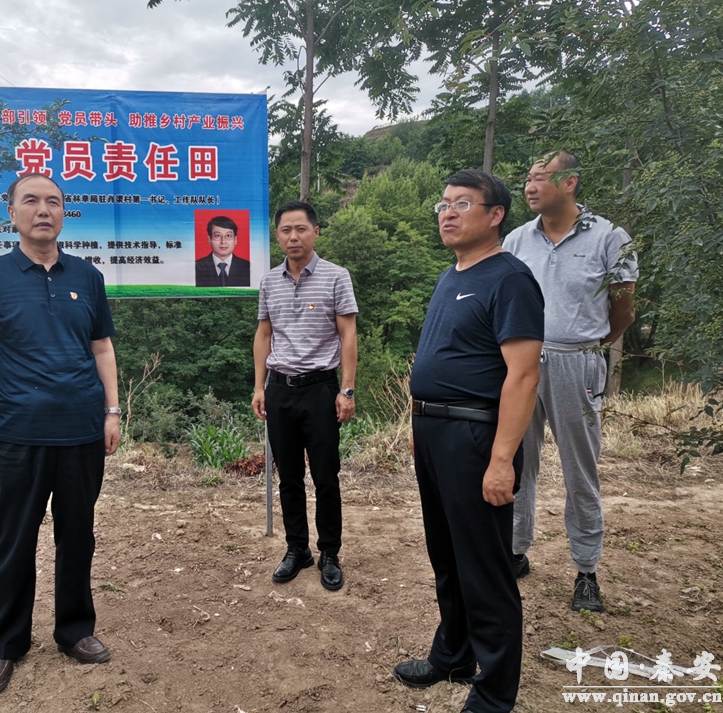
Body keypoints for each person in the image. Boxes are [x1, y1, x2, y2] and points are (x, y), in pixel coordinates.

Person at [0, 173, 122, 697]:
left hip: (81, 431)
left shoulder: (87, 276)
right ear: (11, 214)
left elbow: (102, 348)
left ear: (64, 213)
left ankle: (75, 631)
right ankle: (5, 644)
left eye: (53, 201)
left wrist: (112, 412)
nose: (43, 210)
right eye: (30, 200)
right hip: (17, 433)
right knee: (14, 541)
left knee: (78, 536)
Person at [393, 170, 544, 713]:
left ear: (496, 214)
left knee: (484, 566)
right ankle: (453, 655)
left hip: (476, 436)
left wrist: (502, 459)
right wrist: (420, 425)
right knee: (448, 556)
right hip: (435, 432)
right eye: (443, 204)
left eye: (462, 203)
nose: (447, 213)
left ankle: (495, 693)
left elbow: (523, 376)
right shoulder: (450, 276)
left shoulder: (510, 279)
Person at [504, 151, 638, 613]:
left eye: (540, 177)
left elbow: (623, 310)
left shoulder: (609, 237)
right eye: (528, 177)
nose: (530, 185)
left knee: (580, 469)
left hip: (576, 362)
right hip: (520, 363)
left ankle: (586, 570)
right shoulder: (517, 240)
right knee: (517, 461)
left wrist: (590, 346)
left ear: (570, 182)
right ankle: (515, 551)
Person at [251, 201, 358, 591]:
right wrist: (259, 386)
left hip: (321, 389)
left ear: (315, 232)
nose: (293, 237)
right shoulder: (269, 281)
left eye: (300, 229)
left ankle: (329, 552)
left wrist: (347, 389)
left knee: (326, 475)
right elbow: (264, 334)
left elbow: (348, 334)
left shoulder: (336, 277)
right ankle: (297, 549)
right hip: (280, 388)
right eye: (285, 230)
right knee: (289, 477)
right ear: (277, 235)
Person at [195, 215, 251, 287]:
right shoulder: (196, 267)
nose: (223, 241)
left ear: (235, 240)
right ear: (209, 239)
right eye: (217, 236)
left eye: (228, 236)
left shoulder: (248, 267)